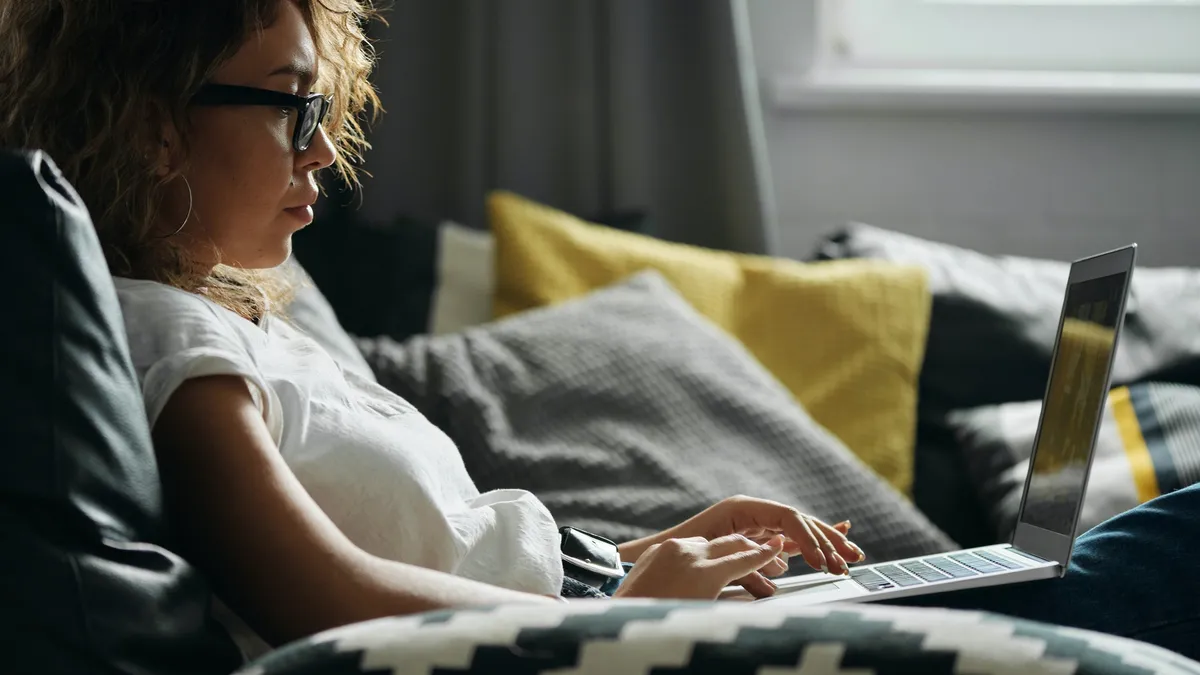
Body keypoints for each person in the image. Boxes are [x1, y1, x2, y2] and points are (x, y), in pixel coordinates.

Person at [1, 0, 1195, 665]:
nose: (323, 148)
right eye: (291, 105)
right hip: (591, 646)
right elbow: (324, 600)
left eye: (325, 107)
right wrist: (624, 614)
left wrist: (644, 559)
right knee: (1158, 559)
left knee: (1131, 555)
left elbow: (451, 553)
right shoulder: (164, 340)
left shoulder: (240, 324)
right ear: (155, 126)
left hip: (597, 614)